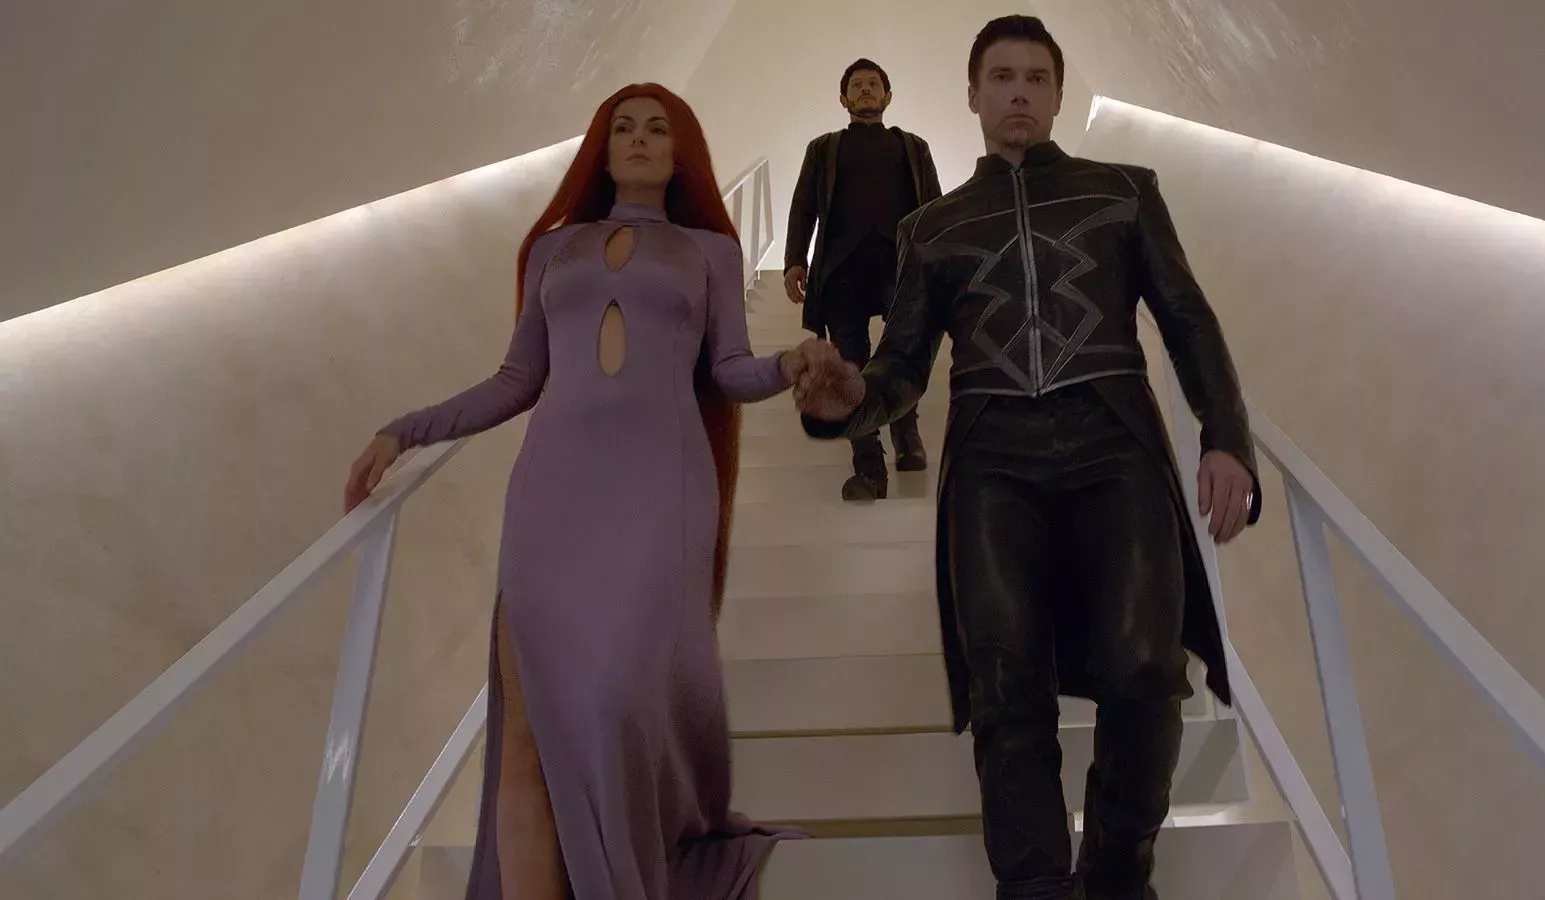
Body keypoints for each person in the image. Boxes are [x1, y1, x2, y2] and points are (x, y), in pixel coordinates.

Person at [792, 16, 1260, 900]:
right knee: (1004, 690)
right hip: (991, 462)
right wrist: (850, 402)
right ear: (972, 95)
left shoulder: (1124, 191)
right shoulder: (931, 227)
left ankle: (1117, 874)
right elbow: (902, 367)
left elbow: (1187, 317)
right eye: (1001, 77)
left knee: (1146, 668)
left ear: (1056, 94)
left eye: (1036, 78)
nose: (1018, 92)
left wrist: (1226, 436)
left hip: (1115, 445)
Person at [344, 84, 807, 899]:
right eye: (623, 127)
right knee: (525, 739)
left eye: (657, 128)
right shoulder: (554, 248)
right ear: (602, 147)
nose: (639, 139)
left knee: (615, 704)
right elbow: (516, 379)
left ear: (681, 152)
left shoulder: (710, 250)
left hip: (664, 491)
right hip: (552, 493)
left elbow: (731, 371)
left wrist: (790, 366)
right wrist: (407, 430)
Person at [783, 58, 943, 501]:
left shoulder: (914, 147)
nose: (866, 90)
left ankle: (907, 435)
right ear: (843, 98)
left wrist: (942, 262)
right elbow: (803, 206)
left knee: (904, 352)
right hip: (841, 270)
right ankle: (868, 468)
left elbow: (935, 208)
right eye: (857, 85)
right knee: (849, 364)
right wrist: (795, 260)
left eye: (874, 84)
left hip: (900, 267)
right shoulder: (822, 148)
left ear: (888, 96)